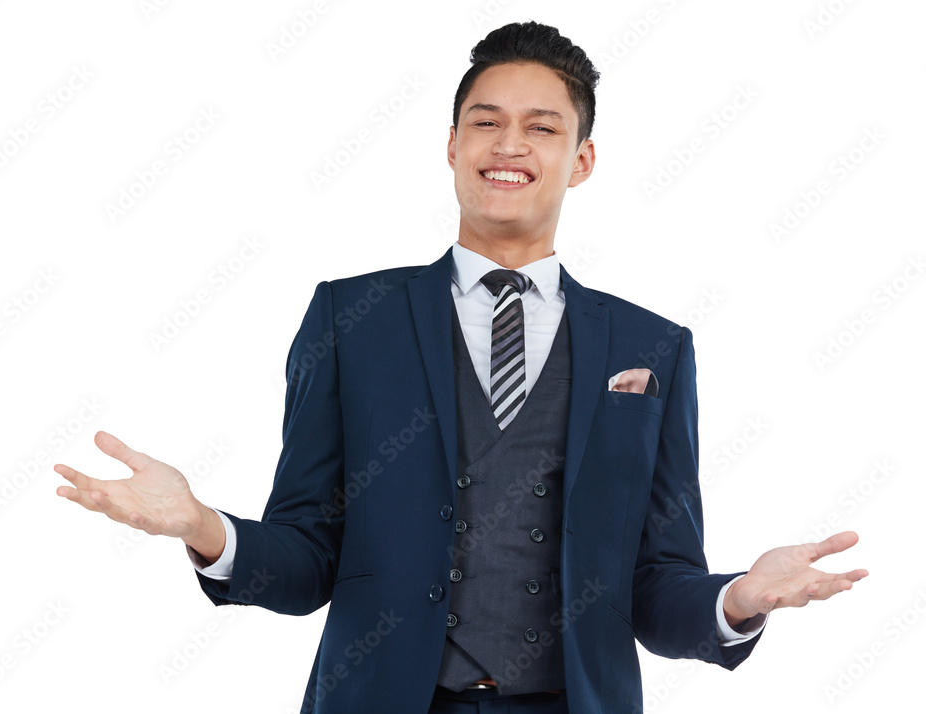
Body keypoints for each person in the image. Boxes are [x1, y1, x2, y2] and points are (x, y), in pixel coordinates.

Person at [55, 21, 867, 714]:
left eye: (542, 128)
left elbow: (656, 586)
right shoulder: (351, 318)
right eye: (486, 122)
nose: (510, 144)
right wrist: (202, 525)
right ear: (451, 146)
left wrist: (738, 599)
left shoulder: (651, 347)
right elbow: (309, 559)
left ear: (581, 160)